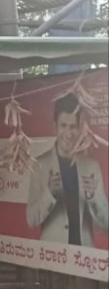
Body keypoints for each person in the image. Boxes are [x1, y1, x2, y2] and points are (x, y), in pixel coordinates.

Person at [26, 93, 109, 246]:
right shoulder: (39, 165)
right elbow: (31, 220)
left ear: (80, 128)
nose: (69, 134)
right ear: (54, 127)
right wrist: (49, 194)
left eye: (73, 127)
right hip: (53, 254)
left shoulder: (92, 166)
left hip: (84, 255)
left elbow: (106, 224)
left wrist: (93, 198)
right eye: (63, 126)